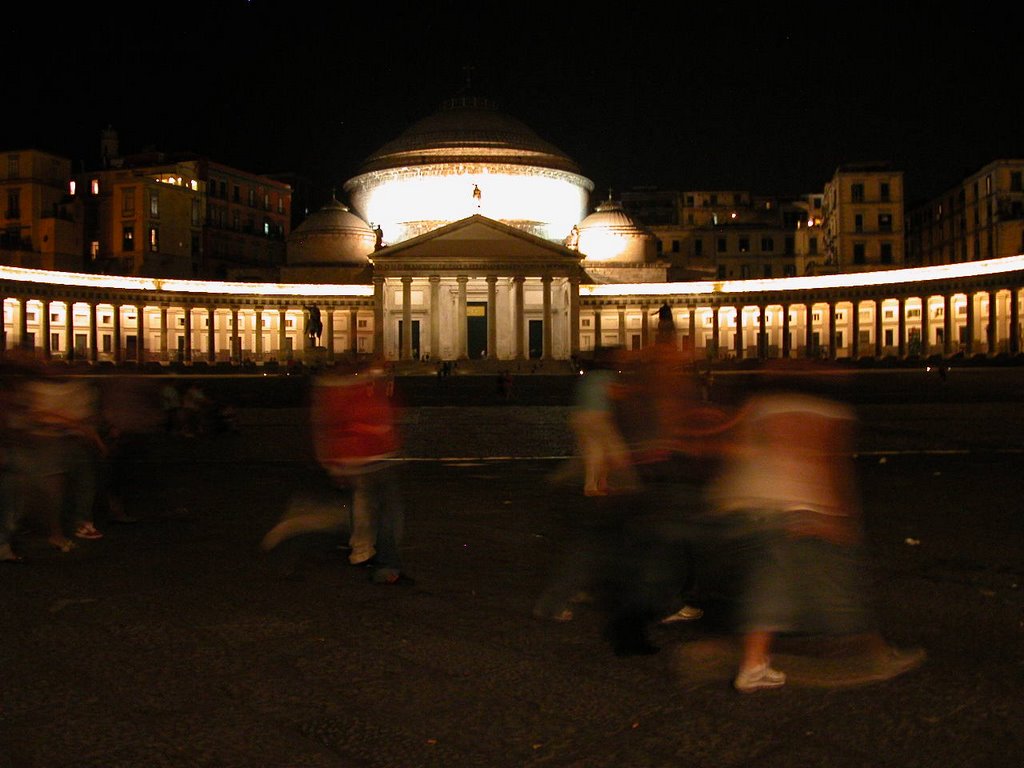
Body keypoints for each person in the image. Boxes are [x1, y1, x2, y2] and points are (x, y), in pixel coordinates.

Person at [706, 369, 925, 692]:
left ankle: (757, 660)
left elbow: (732, 443)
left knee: (771, 581)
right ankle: (869, 651)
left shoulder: (763, 402)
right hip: (795, 501)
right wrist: (839, 514)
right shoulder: (831, 410)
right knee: (834, 580)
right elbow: (829, 462)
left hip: (746, 499)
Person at [273, 362, 410, 585]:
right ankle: (382, 563)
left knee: (367, 510)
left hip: (371, 460)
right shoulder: (346, 390)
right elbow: (339, 426)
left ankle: (364, 552)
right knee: (381, 514)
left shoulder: (348, 389)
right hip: (366, 461)